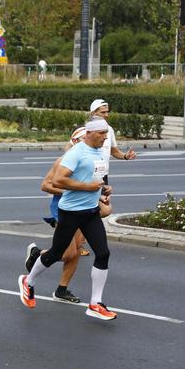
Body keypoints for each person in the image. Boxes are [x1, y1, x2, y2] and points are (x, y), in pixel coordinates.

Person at [18, 117, 117, 321]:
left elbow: (97, 177)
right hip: (70, 212)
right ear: (89, 133)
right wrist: (87, 187)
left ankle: (95, 303)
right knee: (56, 253)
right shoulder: (76, 153)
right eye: (102, 134)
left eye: (106, 134)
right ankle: (28, 281)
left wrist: (103, 188)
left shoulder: (100, 152)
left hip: (90, 212)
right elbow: (58, 180)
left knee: (103, 253)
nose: (105, 138)